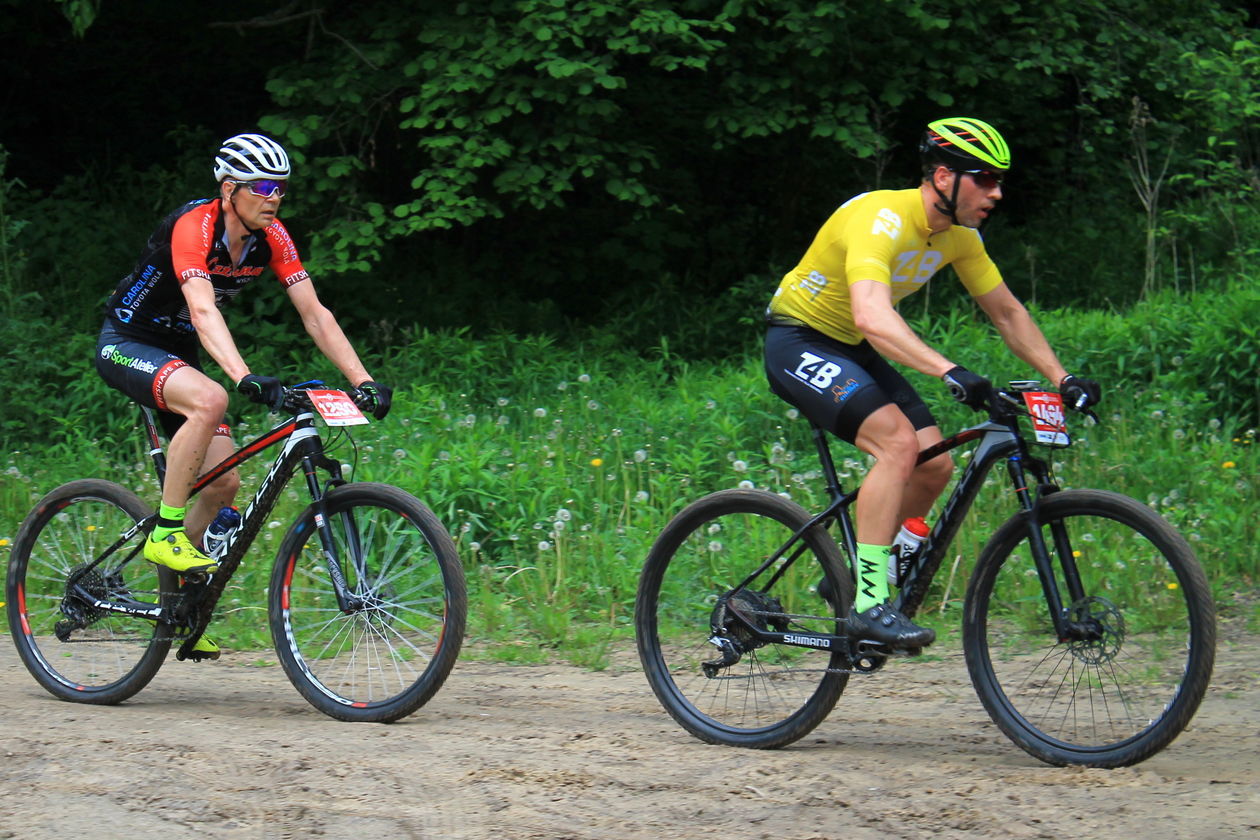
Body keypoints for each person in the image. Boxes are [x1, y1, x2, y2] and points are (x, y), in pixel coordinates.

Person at [763, 117, 1100, 650]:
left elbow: (1008, 313)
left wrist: (1063, 378)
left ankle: (850, 579)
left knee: (934, 464)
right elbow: (871, 314)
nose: (996, 193)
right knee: (897, 445)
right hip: (798, 340)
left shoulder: (961, 238)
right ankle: (869, 604)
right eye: (984, 179)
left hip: (851, 345)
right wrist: (948, 370)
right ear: (944, 176)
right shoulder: (882, 218)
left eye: (999, 182)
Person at [95, 133, 392, 659]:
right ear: (230, 189)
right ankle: (165, 532)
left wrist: (362, 378)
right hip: (130, 341)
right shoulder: (196, 226)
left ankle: (178, 611)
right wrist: (243, 376)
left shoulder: (272, 235)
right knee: (211, 400)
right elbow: (205, 309)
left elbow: (314, 312)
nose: (273, 197)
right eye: (261, 186)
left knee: (223, 484)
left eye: (280, 187)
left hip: (179, 347)